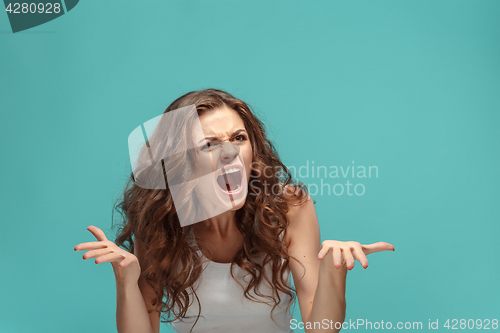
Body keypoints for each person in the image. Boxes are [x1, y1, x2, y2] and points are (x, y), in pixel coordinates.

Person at [74, 89, 395, 333]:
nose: (229, 153)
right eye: (209, 144)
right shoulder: (162, 221)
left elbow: (319, 328)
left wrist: (334, 273)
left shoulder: (289, 208)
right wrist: (127, 283)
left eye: (238, 138)